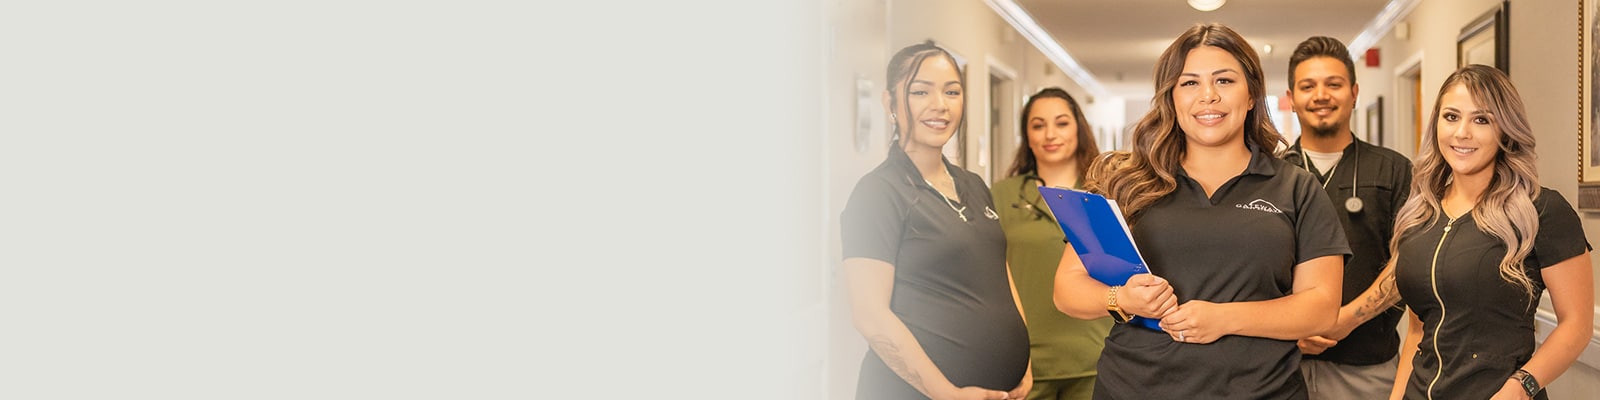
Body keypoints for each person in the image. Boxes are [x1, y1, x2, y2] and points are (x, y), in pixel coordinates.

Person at [1051, 23, 1349, 399]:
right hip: (1134, 388)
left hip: (1263, 391)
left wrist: (1223, 318)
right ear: (1171, 98)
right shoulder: (1124, 183)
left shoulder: (1296, 187)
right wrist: (1121, 299)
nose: (1208, 96)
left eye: (1224, 81)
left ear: (1253, 94)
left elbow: (1321, 308)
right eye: (1189, 83)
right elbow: (1067, 289)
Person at [1333, 65, 1593, 400]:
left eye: (1481, 119)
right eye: (1451, 117)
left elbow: (1577, 325)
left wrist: (1519, 388)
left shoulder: (1541, 210)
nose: (1462, 133)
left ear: (1506, 129)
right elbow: (1418, 330)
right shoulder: (1420, 213)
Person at [840, 41, 1031, 400]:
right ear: (890, 103)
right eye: (920, 91)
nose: (939, 105)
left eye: (952, 91)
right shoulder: (878, 193)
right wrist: (945, 392)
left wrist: (1026, 362)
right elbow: (869, 314)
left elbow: (998, 273)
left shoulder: (972, 184)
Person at [1279, 36, 1414, 400]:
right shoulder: (1270, 175)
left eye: (1333, 84)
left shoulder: (1393, 171)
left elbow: (1410, 260)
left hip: (1368, 369)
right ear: (1291, 99)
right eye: (1308, 86)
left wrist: (1345, 320)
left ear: (1354, 93)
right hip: (1280, 367)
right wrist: (1295, 329)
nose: (1321, 95)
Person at [992, 87, 1107, 400]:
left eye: (1061, 123)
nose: (1050, 134)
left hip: (1096, 358)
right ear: (1026, 135)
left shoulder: (1105, 194)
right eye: (1038, 125)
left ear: (1079, 129)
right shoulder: (1002, 195)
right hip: (1026, 363)